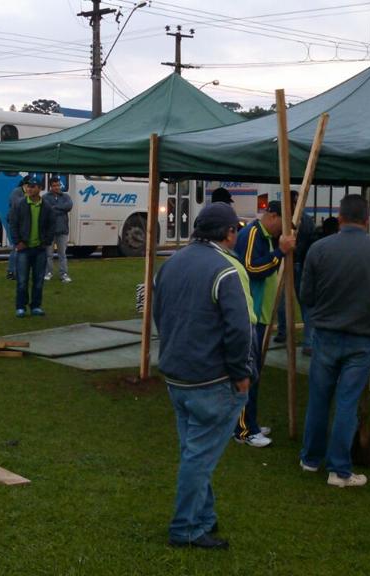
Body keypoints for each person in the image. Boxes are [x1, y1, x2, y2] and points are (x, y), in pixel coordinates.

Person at [153, 202, 254, 550]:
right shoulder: (225, 270)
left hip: (176, 375)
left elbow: (158, 314)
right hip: (210, 380)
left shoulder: (171, 263)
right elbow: (240, 330)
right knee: (198, 456)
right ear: (228, 233)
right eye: (235, 230)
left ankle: (203, 518)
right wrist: (241, 373)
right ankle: (185, 529)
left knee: (195, 451)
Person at [298, 194, 370, 487]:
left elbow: (306, 296)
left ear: (340, 218)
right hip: (362, 336)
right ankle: (339, 469)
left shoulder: (319, 249)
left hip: (326, 334)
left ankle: (310, 458)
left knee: (319, 398)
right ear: (367, 220)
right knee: (347, 402)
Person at [232, 200, 295, 447]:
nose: (283, 231)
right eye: (283, 224)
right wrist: (280, 252)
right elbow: (251, 268)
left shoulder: (266, 236)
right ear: (272, 216)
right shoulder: (254, 233)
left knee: (254, 373)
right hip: (251, 314)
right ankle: (244, 430)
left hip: (261, 314)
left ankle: (250, 423)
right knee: (248, 373)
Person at [275, 191, 316, 353]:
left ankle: (304, 340)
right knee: (289, 302)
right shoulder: (301, 219)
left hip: (294, 263)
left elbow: (311, 241)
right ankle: (305, 340)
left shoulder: (296, 220)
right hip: (293, 263)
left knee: (298, 302)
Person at [9, 178, 53, 317]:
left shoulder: (46, 206)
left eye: (33, 187)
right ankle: (20, 307)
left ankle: (36, 306)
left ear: (39, 188)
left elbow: (51, 226)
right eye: (28, 186)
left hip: (40, 249)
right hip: (24, 249)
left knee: (38, 281)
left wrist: (46, 242)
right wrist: (18, 242)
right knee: (22, 280)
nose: (29, 189)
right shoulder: (20, 204)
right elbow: (13, 224)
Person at [42, 176, 73, 283]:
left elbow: (69, 206)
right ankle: (48, 273)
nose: (57, 187)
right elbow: (46, 209)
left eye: (58, 185)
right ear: (50, 186)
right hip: (49, 231)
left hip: (62, 230)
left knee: (62, 254)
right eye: (54, 185)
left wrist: (55, 207)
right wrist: (61, 208)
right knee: (48, 254)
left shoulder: (66, 196)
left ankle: (64, 274)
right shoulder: (45, 197)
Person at [5, 177, 34, 280]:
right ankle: (11, 271)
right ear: (24, 184)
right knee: (16, 248)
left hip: (23, 224)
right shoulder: (16, 192)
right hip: (15, 223)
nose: (29, 188)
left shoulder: (27, 193)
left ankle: (18, 271)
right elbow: (17, 205)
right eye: (28, 186)